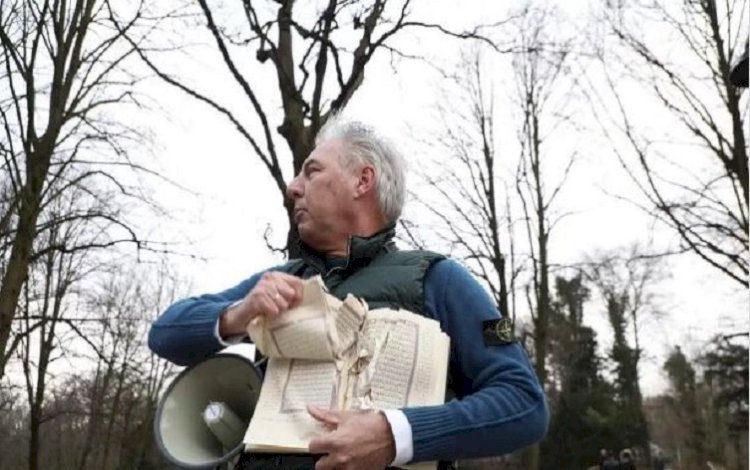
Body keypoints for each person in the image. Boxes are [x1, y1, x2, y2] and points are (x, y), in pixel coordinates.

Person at [149, 116, 549, 469]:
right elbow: (164, 334)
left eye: (312, 172)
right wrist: (239, 312)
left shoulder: (438, 280)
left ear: (363, 180)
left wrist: (395, 435)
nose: (293, 188)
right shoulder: (278, 281)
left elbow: (524, 404)